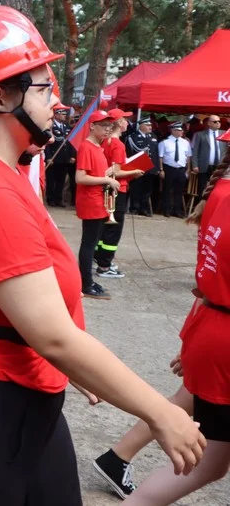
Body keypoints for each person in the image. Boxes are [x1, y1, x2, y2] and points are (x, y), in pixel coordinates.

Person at [0, 5, 204, 504]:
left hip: (13, 394)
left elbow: (38, 321)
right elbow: (52, 335)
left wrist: (69, 367)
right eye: (42, 87)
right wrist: (161, 412)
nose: (55, 101)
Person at [122, 133, 230, 505]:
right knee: (207, 461)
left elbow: (207, 276)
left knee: (209, 463)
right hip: (220, 331)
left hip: (214, 329)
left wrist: (193, 340)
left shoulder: (224, 195)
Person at [94, 108, 144, 279]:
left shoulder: (104, 142)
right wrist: (134, 171)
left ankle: (100, 257)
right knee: (113, 228)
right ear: (118, 123)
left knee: (105, 226)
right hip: (117, 188)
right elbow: (114, 171)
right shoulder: (117, 144)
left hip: (108, 188)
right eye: (124, 119)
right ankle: (105, 265)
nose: (127, 122)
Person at [74, 110, 118, 300]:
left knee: (91, 243)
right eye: (103, 125)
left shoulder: (98, 147)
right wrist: (106, 180)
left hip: (98, 200)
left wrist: (107, 174)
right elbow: (80, 177)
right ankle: (85, 283)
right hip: (91, 201)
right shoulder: (87, 146)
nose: (108, 129)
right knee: (89, 244)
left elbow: (94, 173)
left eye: (109, 126)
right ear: (92, 126)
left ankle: (87, 280)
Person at [128, 117, 161, 216]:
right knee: (136, 188)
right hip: (138, 167)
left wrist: (157, 168)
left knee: (147, 190)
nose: (150, 127)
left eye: (150, 125)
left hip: (150, 168)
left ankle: (144, 208)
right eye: (147, 125)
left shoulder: (153, 136)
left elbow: (155, 153)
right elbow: (130, 153)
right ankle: (134, 208)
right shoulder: (133, 137)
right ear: (141, 126)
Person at [159, 122, 192, 218]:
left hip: (181, 169)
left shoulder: (185, 142)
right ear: (173, 130)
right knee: (167, 190)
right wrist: (161, 169)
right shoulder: (164, 142)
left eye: (182, 130)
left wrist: (188, 169)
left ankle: (177, 210)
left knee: (179, 190)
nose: (181, 132)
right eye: (179, 130)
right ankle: (166, 210)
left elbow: (188, 156)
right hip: (168, 168)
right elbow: (160, 157)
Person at [46, 105, 75, 207]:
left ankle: (59, 199)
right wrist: (48, 157)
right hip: (54, 157)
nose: (65, 116)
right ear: (57, 115)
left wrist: (72, 155)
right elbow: (47, 144)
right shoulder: (51, 127)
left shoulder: (66, 127)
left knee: (61, 180)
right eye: (63, 114)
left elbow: (71, 142)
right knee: (51, 180)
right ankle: (50, 199)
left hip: (64, 158)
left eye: (65, 114)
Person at [191, 115, 226, 198]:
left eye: (219, 121)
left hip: (220, 166)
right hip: (204, 166)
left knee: (218, 188)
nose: (218, 123)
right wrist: (195, 165)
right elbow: (195, 151)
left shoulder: (225, 134)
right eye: (215, 122)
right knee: (203, 188)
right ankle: (202, 209)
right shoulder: (200, 135)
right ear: (209, 123)